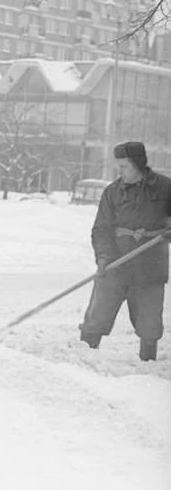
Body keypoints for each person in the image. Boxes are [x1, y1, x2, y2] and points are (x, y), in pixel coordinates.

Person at [79, 141, 171, 361]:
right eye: (118, 166)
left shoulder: (165, 188)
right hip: (115, 264)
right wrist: (103, 258)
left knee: (149, 326)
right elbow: (100, 229)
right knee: (96, 318)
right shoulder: (112, 192)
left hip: (151, 268)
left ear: (138, 164)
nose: (119, 171)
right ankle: (82, 362)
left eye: (124, 166)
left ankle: (147, 366)